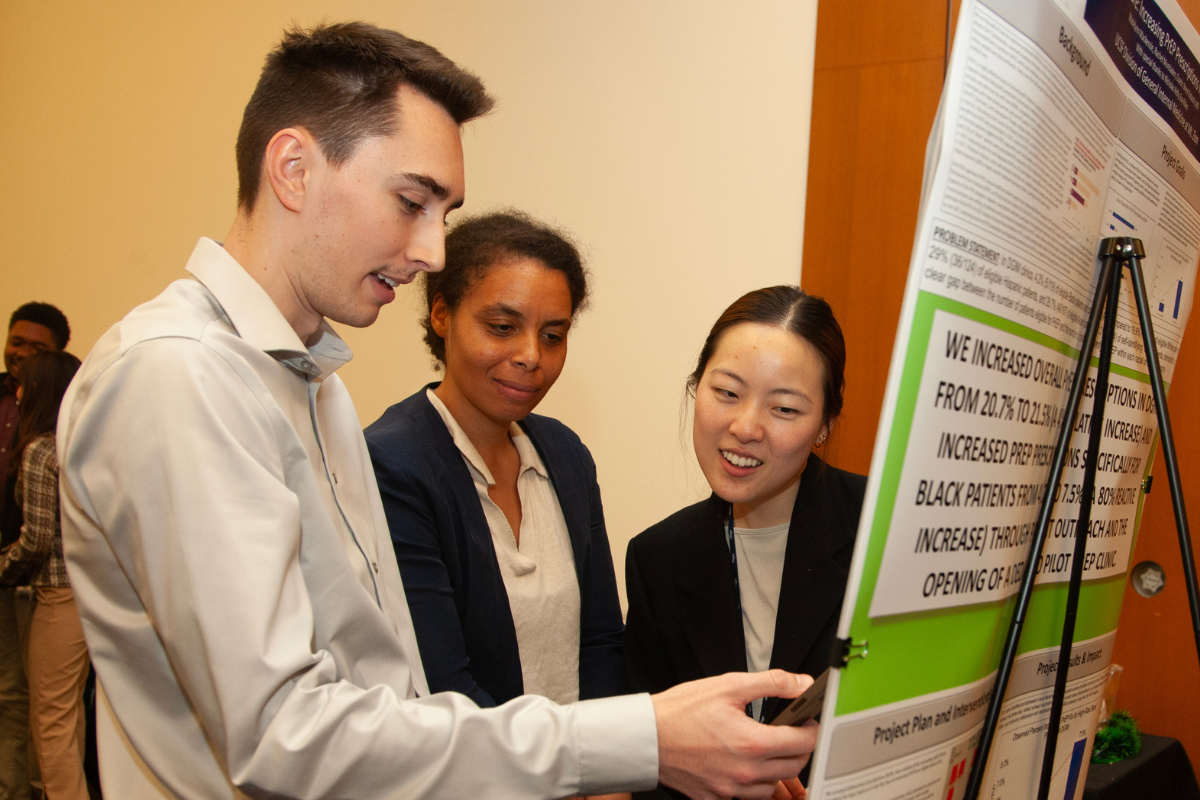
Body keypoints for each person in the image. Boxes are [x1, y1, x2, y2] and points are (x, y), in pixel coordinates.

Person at [58, 22, 818, 800]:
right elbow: (283, 735)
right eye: (411, 201)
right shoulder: (178, 375)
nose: (431, 251)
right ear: (293, 168)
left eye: (444, 214)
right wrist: (632, 739)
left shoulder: (310, 383)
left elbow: (389, 687)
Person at [365, 211, 624, 707]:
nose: (531, 355)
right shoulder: (392, 465)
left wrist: (609, 768)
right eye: (503, 326)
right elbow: (443, 686)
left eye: (553, 335)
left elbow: (602, 642)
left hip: (586, 767)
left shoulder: (566, 457)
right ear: (442, 315)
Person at [624, 286, 866, 800]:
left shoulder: (880, 531)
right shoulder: (659, 558)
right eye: (727, 393)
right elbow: (651, 759)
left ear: (824, 424)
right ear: (697, 386)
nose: (744, 427)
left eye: (784, 409)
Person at [1, 350, 87, 800]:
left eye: (24, 384)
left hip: (58, 594)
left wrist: (3, 567)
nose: (16, 391)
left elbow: (36, 539)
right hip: (97, 594)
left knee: (49, 720)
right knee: (74, 715)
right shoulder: (86, 443)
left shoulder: (39, 450)